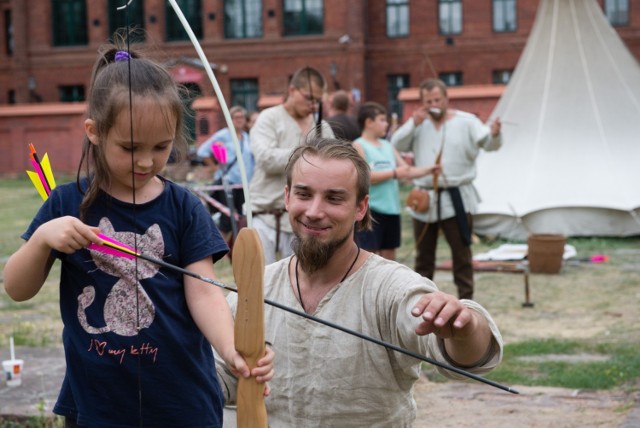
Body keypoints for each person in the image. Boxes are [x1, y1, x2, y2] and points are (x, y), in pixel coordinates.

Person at [2, 38, 272, 428]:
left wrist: (231, 349)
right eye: (130, 148)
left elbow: (203, 290)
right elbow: (16, 288)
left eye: (161, 146)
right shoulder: (64, 205)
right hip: (97, 403)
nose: (146, 161)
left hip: (182, 399)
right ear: (94, 132)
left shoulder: (184, 207)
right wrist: (44, 237)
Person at [215, 137, 503, 427]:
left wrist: (466, 328)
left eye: (334, 198)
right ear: (287, 197)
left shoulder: (389, 287)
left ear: (361, 208)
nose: (314, 212)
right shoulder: (255, 288)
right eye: (304, 194)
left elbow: (465, 357)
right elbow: (217, 380)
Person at [391, 79, 503, 300]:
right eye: (428, 101)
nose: (434, 104)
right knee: (424, 256)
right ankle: (421, 301)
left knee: (461, 253)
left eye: (437, 99)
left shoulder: (467, 121)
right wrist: (412, 123)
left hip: (456, 194)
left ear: (446, 99)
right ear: (422, 102)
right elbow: (396, 143)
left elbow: (488, 143)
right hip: (425, 195)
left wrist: (495, 133)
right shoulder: (418, 123)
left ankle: (467, 302)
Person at [249, 66, 335, 264]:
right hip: (266, 217)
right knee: (260, 284)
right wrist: (308, 154)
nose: (313, 105)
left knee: (302, 285)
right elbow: (266, 159)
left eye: (317, 100)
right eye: (308, 98)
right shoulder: (269, 118)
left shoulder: (322, 128)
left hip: (306, 221)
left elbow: (332, 166)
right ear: (292, 90)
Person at [353, 102, 440, 260]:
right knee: (368, 258)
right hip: (371, 211)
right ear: (369, 122)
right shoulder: (359, 145)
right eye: (382, 120)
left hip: (392, 210)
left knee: (389, 258)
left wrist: (429, 170)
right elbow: (364, 176)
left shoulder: (387, 145)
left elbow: (406, 170)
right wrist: (393, 173)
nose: (386, 124)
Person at [197, 105, 255, 242]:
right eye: (236, 117)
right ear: (230, 119)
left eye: (242, 117)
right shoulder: (223, 135)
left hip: (244, 185)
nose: (239, 120)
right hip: (227, 182)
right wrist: (214, 166)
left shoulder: (247, 137)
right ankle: (220, 249)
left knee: (241, 218)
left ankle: (237, 247)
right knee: (227, 218)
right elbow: (202, 151)